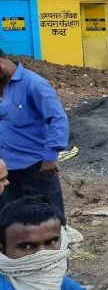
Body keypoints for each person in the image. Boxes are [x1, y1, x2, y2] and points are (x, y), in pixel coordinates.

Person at [0, 195, 108, 290]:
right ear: (2, 249)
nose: (42, 254)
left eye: (51, 242)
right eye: (27, 246)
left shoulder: (36, 274)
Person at [0, 48, 69, 221]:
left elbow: (57, 118)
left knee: (49, 216)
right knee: (9, 218)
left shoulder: (34, 84)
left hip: (36, 167)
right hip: (5, 170)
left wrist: (51, 155)